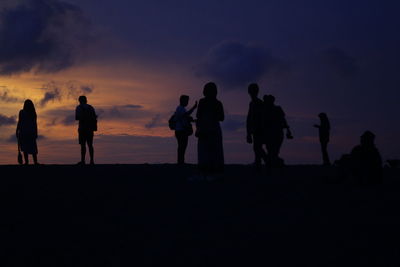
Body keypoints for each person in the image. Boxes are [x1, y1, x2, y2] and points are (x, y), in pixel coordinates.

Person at [196, 82, 224, 176]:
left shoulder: (202, 102)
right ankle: (213, 169)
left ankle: (207, 170)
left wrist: (199, 127)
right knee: (214, 151)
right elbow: (222, 117)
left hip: (206, 128)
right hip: (213, 129)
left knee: (205, 151)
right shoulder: (218, 103)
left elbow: (198, 116)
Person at [263, 95, 292, 167]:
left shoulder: (275, 109)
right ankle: (274, 164)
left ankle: (273, 164)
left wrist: (288, 129)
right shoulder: (268, 110)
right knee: (272, 150)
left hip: (275, 132)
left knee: (273, 150)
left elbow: (283, 120)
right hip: (272, 133)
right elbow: (283, 120)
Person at [246, 83, 267, 170]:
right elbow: (250, 117)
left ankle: (266, 161)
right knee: (256, 146)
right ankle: (259, 161)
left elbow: (261, 117)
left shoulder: (259, 103)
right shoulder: (252, 103)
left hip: (259, 128)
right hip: (255, 128)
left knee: (257, 146)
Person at [174, 95, 197, 165]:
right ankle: (180, 162)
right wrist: (193, 108)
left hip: (180, 130)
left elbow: (184, 117)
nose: (187, 102)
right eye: (186, 100)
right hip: (180, 130)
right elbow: (185, 115)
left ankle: (181, 161)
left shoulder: (181, 108)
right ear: (183, 101)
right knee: (182, 146)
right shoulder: (180, 108)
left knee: (182, 146)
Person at [16, 99, 40, 165]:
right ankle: (32, 162)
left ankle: (28, 162)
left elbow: (34, 124)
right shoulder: (26, 112)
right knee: (28, 148)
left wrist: (17, 130)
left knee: (28, 148)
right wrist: (17, 130)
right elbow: (20, 122)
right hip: (26, 133)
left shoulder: (31, 113)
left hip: (27, 133)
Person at [75, 96, 97, 165]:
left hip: (82, 128)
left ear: (80, 101)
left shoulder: (79, 107)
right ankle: (92, 161)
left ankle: (83, 161)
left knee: (83, 145)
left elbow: (77, 117)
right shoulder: (91, 107)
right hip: (90, 129)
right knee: (90, 145)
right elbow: (94, 116)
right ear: (86, 100)